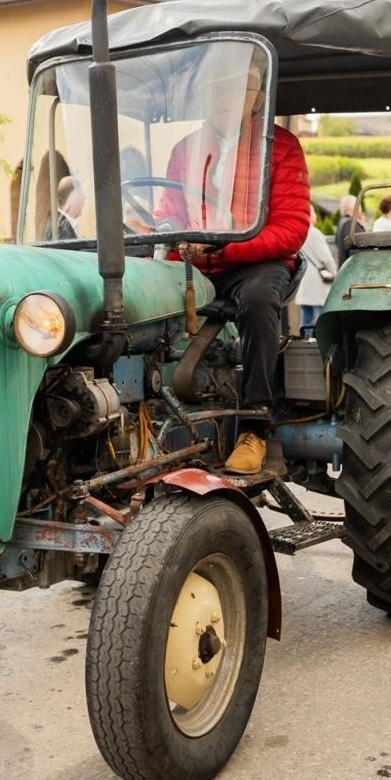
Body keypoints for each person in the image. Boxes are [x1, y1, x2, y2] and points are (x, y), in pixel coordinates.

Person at [154, 60, 311, 474]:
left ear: (257, 97)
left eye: (237, 89)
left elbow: (292, 228)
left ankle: (255, 428)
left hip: (256, 260)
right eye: (216, 89)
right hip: (196, 261)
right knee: (137, 299)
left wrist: (221, 250)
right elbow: (167, 213)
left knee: (260, 300)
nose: (224, 98)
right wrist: (167, 238)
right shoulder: (184, 150)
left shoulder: (280, 146)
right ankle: (145, 416)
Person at [296, 206, 337, 330]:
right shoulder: (314, 233)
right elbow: (326, 259)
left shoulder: (298, 232)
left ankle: (304, 342)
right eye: (313, 212)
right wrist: (334, 274)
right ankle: (320, 344)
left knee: (306, 316)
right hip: (317, 281)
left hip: (303, 277)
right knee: (320, 315)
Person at [333, 193, 362, 264]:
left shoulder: (342, 222)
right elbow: (358, 252)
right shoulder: (351, 225)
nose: (361, 209)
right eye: (360, 205)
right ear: (354, 207)